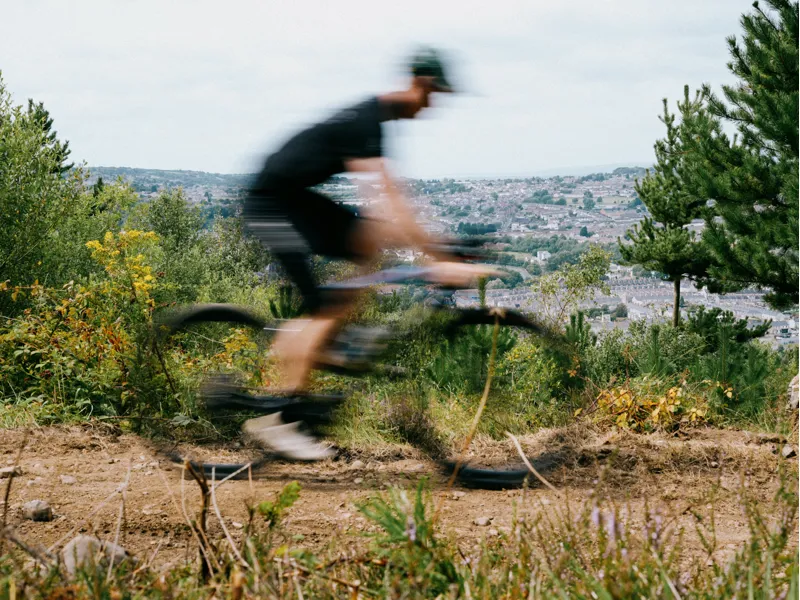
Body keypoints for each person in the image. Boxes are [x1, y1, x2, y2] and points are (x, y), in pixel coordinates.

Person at [240, 47, 494, 460]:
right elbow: (389, 198)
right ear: (418, 84)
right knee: (320, 308)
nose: (431, 107)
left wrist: (442, 249)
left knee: (370, 241)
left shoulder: (376, 119)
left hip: (294, 197)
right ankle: (281, 420)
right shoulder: (367, 120)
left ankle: (330, 337)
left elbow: (386, 218)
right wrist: (436, 256)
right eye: (432, 96)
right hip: (271, 204)